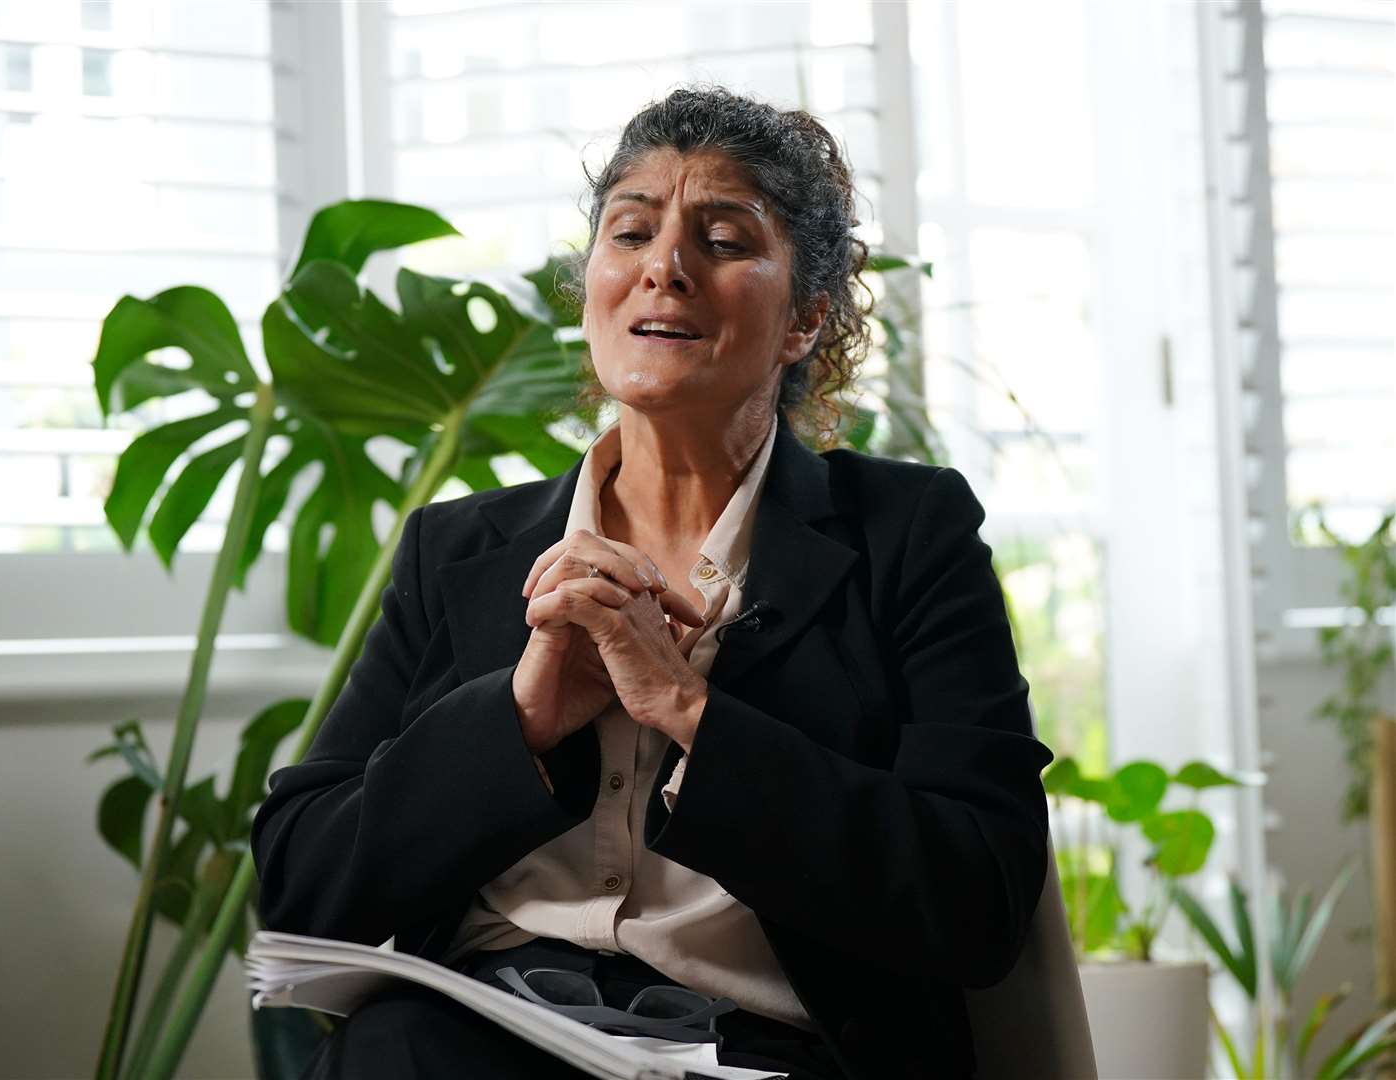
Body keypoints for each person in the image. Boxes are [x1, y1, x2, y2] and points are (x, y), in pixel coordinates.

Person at [250, 84, 1055, 1080]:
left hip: (768, 1052)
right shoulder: (453, 549)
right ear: (589, 285)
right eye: (630, 233)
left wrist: (686, 710)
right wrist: (520, 719)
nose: (663, 268)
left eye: (721, 241)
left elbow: (974, 899)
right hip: (473, 1039)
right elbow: (298, 880)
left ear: (804, 317)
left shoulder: (908, 534)